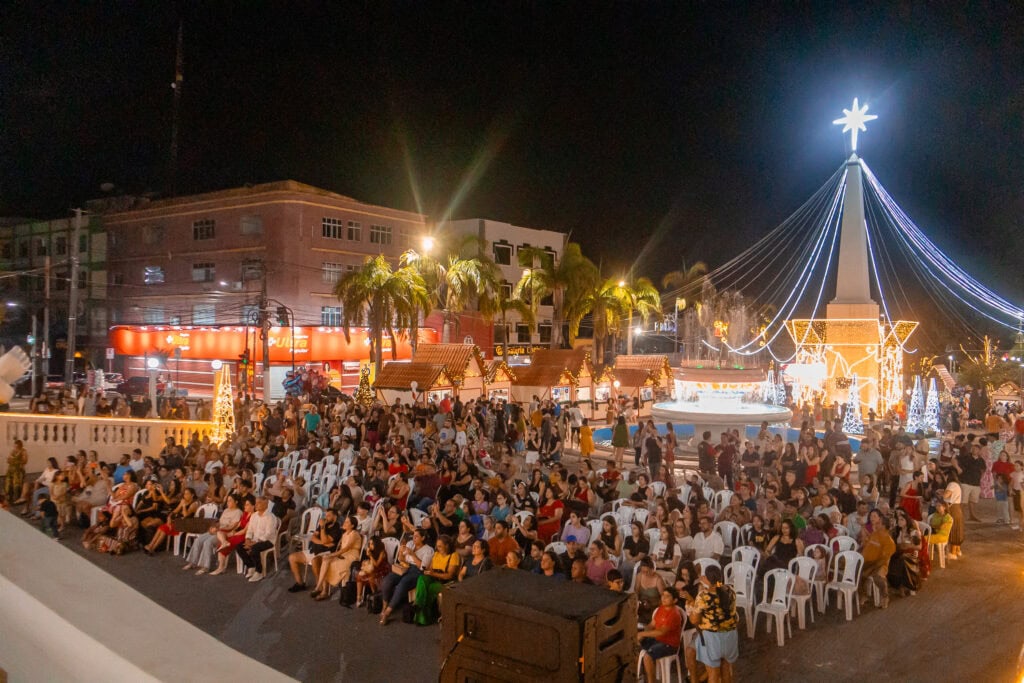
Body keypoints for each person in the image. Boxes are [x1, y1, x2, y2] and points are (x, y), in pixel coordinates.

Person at [689, 564, 739, 683]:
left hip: (712, 638)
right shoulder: (730, 591)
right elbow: (718, 587)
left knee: (713, 673)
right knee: (726, 670)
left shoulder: (704, 596)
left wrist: (691, 610)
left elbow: (694, 620)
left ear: (706, 578)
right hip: (730, 636)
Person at [286, 508, 342, 592]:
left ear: (335, 517)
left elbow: (325, 540)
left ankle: (319, 585)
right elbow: (313, 538)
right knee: (292, 557)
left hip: (326, 553)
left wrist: (322, 528)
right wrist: (322, 542)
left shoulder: (337, 529)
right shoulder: (323, 525)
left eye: (329, 515)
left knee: (315, 560)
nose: (326, 517)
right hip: (315, 550)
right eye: (326, 515)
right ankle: (300, 583)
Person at [637, 587, 683, 683]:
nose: (664, 598)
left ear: (675, 600)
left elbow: (661, 632)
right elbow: (652, 625)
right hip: (657, 640)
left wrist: (642, 633)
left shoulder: (674, 614)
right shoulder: (661, 608)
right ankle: (640, 677)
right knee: (634, 646)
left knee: (647, 656)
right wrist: (641, 636)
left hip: (670, 645)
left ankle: (651, 681)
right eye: (663, 595)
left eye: (667, 596)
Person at [312, 514, 362, 600]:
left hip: (352, 556)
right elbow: (341, 548)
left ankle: (323, 590)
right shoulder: (345, 534)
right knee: (325, 560)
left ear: (352, 525)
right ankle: (319, 587)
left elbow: (346, 549)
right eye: (345, 521)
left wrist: (332, 555)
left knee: (329, 562)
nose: (344, 523)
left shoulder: (354, 534)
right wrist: (331, 555)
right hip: (344, 555)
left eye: (347, 522)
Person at [236, 498, 279, 582]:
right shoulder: (254, 515)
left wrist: (255, 542)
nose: (256, 505)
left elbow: (268, 534)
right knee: (239, 546)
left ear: (266, 505)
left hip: (267, 541)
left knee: (255, 548)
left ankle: (259, 572)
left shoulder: (270, 517)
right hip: (254, 539)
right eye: (256, 503)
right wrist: (248, 539)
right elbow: (250, 530)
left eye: (259, 503)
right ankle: (251, 566)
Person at [860, 509, 896, 609]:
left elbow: (883, 559)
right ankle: (864, 595)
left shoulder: (889, 541)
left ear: (883, 526)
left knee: (878, 577)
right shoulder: (875, 534)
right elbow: (867, 544)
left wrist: (871, 567)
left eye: (879, 523)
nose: (875, 523)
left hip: (879, 565)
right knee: (858, 574)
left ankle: (885, 597)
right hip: (868, 563)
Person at [888, 508, 922, 595]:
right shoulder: (896, 531)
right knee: (891, 558)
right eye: (898, 520)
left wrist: (908, 545)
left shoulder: (913, 532)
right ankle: (898, 585)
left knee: (902, 559)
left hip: (910, 554)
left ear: (907, 521)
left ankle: (904, 585)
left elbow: (919, 546)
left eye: (902, 520)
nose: (899, 521)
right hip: (899, 553)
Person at [943, 471, 966, 560]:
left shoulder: (951, 484)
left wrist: (942, 493)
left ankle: (953, 552)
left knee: (953, 529)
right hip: (957, 508)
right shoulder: (956, 484)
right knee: (957, 529)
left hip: (953, 509)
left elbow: (946, 495)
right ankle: (957, 550)